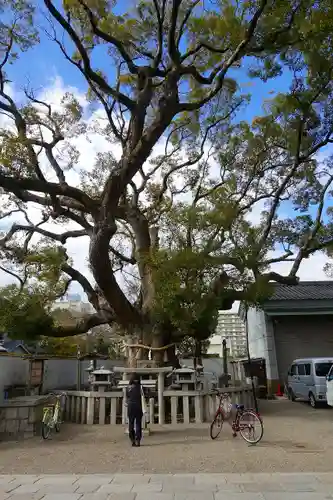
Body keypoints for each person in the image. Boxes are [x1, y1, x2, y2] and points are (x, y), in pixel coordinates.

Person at [126, 373, 143, 447]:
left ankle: (132, 440)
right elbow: (144, 396)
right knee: (138, 423)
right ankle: (138, 440)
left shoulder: (128, 387)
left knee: (131, 423)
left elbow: (128, 396)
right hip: (138, 405)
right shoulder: (141, 387)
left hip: (130, 406)